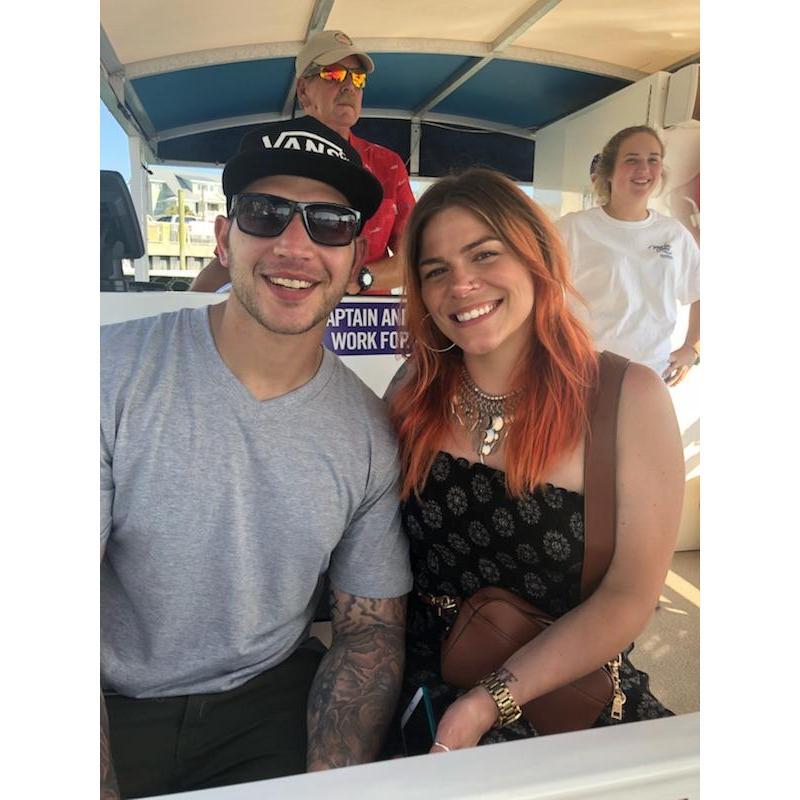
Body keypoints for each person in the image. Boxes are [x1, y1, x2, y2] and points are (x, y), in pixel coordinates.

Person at [101, 116, 412, 798]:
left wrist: (328, 785)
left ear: (356, 254)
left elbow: (369, 632)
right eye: (265, 215)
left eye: (329, 223)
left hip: (270, 702)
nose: (295, 245)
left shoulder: (366, 431)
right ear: (224, 237)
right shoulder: (108, 375)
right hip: (113, 705)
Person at [385, 168, 683, 753]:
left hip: (562, 700)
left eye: (484, 255)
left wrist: (485, 703)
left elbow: (627, 596)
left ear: (534, 256)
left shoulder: (629, 398)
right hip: (417, 681)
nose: (461, 285)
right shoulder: (412, 391)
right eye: (436, 271)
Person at [190, 29, 415, 296]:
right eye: (333, 74)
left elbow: (416, 255)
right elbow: (230, 256)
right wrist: (185, 307)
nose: (349, 86)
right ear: (303, 90)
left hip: (362, 329)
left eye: (357, 78)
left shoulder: (388, 165)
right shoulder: (269, 155)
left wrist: (360, 278)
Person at [557, 125, 700, 386]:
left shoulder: (674, 235)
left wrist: (693, 348)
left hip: (651, 376)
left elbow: (701, 293)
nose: (644, 170)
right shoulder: (572, 229)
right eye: (632, 160)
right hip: (584, 375)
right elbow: (536, 295)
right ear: (609, 171)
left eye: (653, 160)